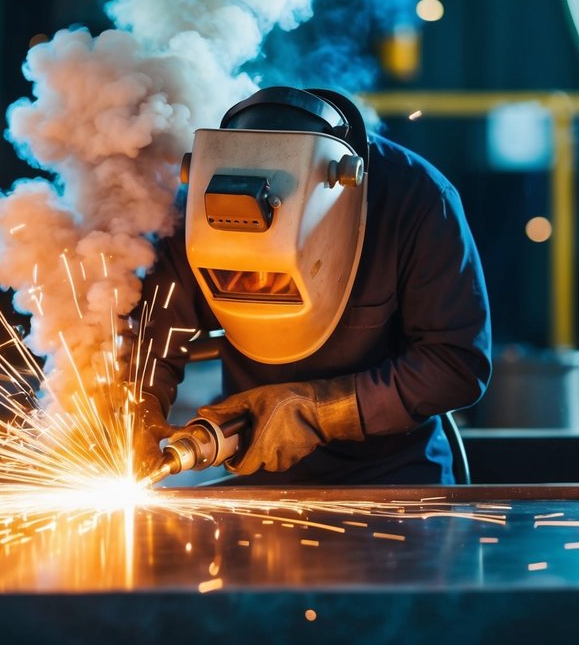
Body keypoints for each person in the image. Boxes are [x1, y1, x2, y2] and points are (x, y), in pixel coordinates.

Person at [133, 86, 491, 485]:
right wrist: (138, 406)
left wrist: (319, 410)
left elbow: (456, 366)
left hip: (394, 481)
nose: (258, 284)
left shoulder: (417, 201)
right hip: (259, 481)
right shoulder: (197, 207)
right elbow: (151, 338)